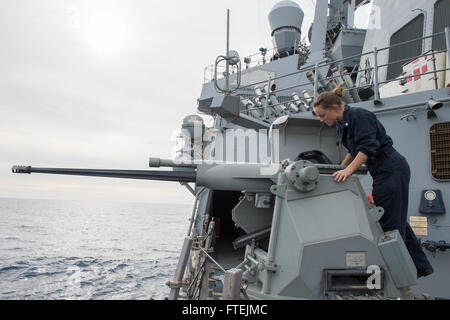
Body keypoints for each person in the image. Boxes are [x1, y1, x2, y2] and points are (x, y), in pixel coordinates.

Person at [313, 86, 434, 279]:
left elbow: (368, 146)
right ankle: (420, 267)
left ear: (334, 108)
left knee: (390, 224)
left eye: (322, 115)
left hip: (391, 169)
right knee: (398, 219)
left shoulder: (359, 116)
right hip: (381, 172)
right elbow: (354, 149)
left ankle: (397, 276)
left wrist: (349, 170)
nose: (321, 119)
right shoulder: (341, 122)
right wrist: (339, 168)